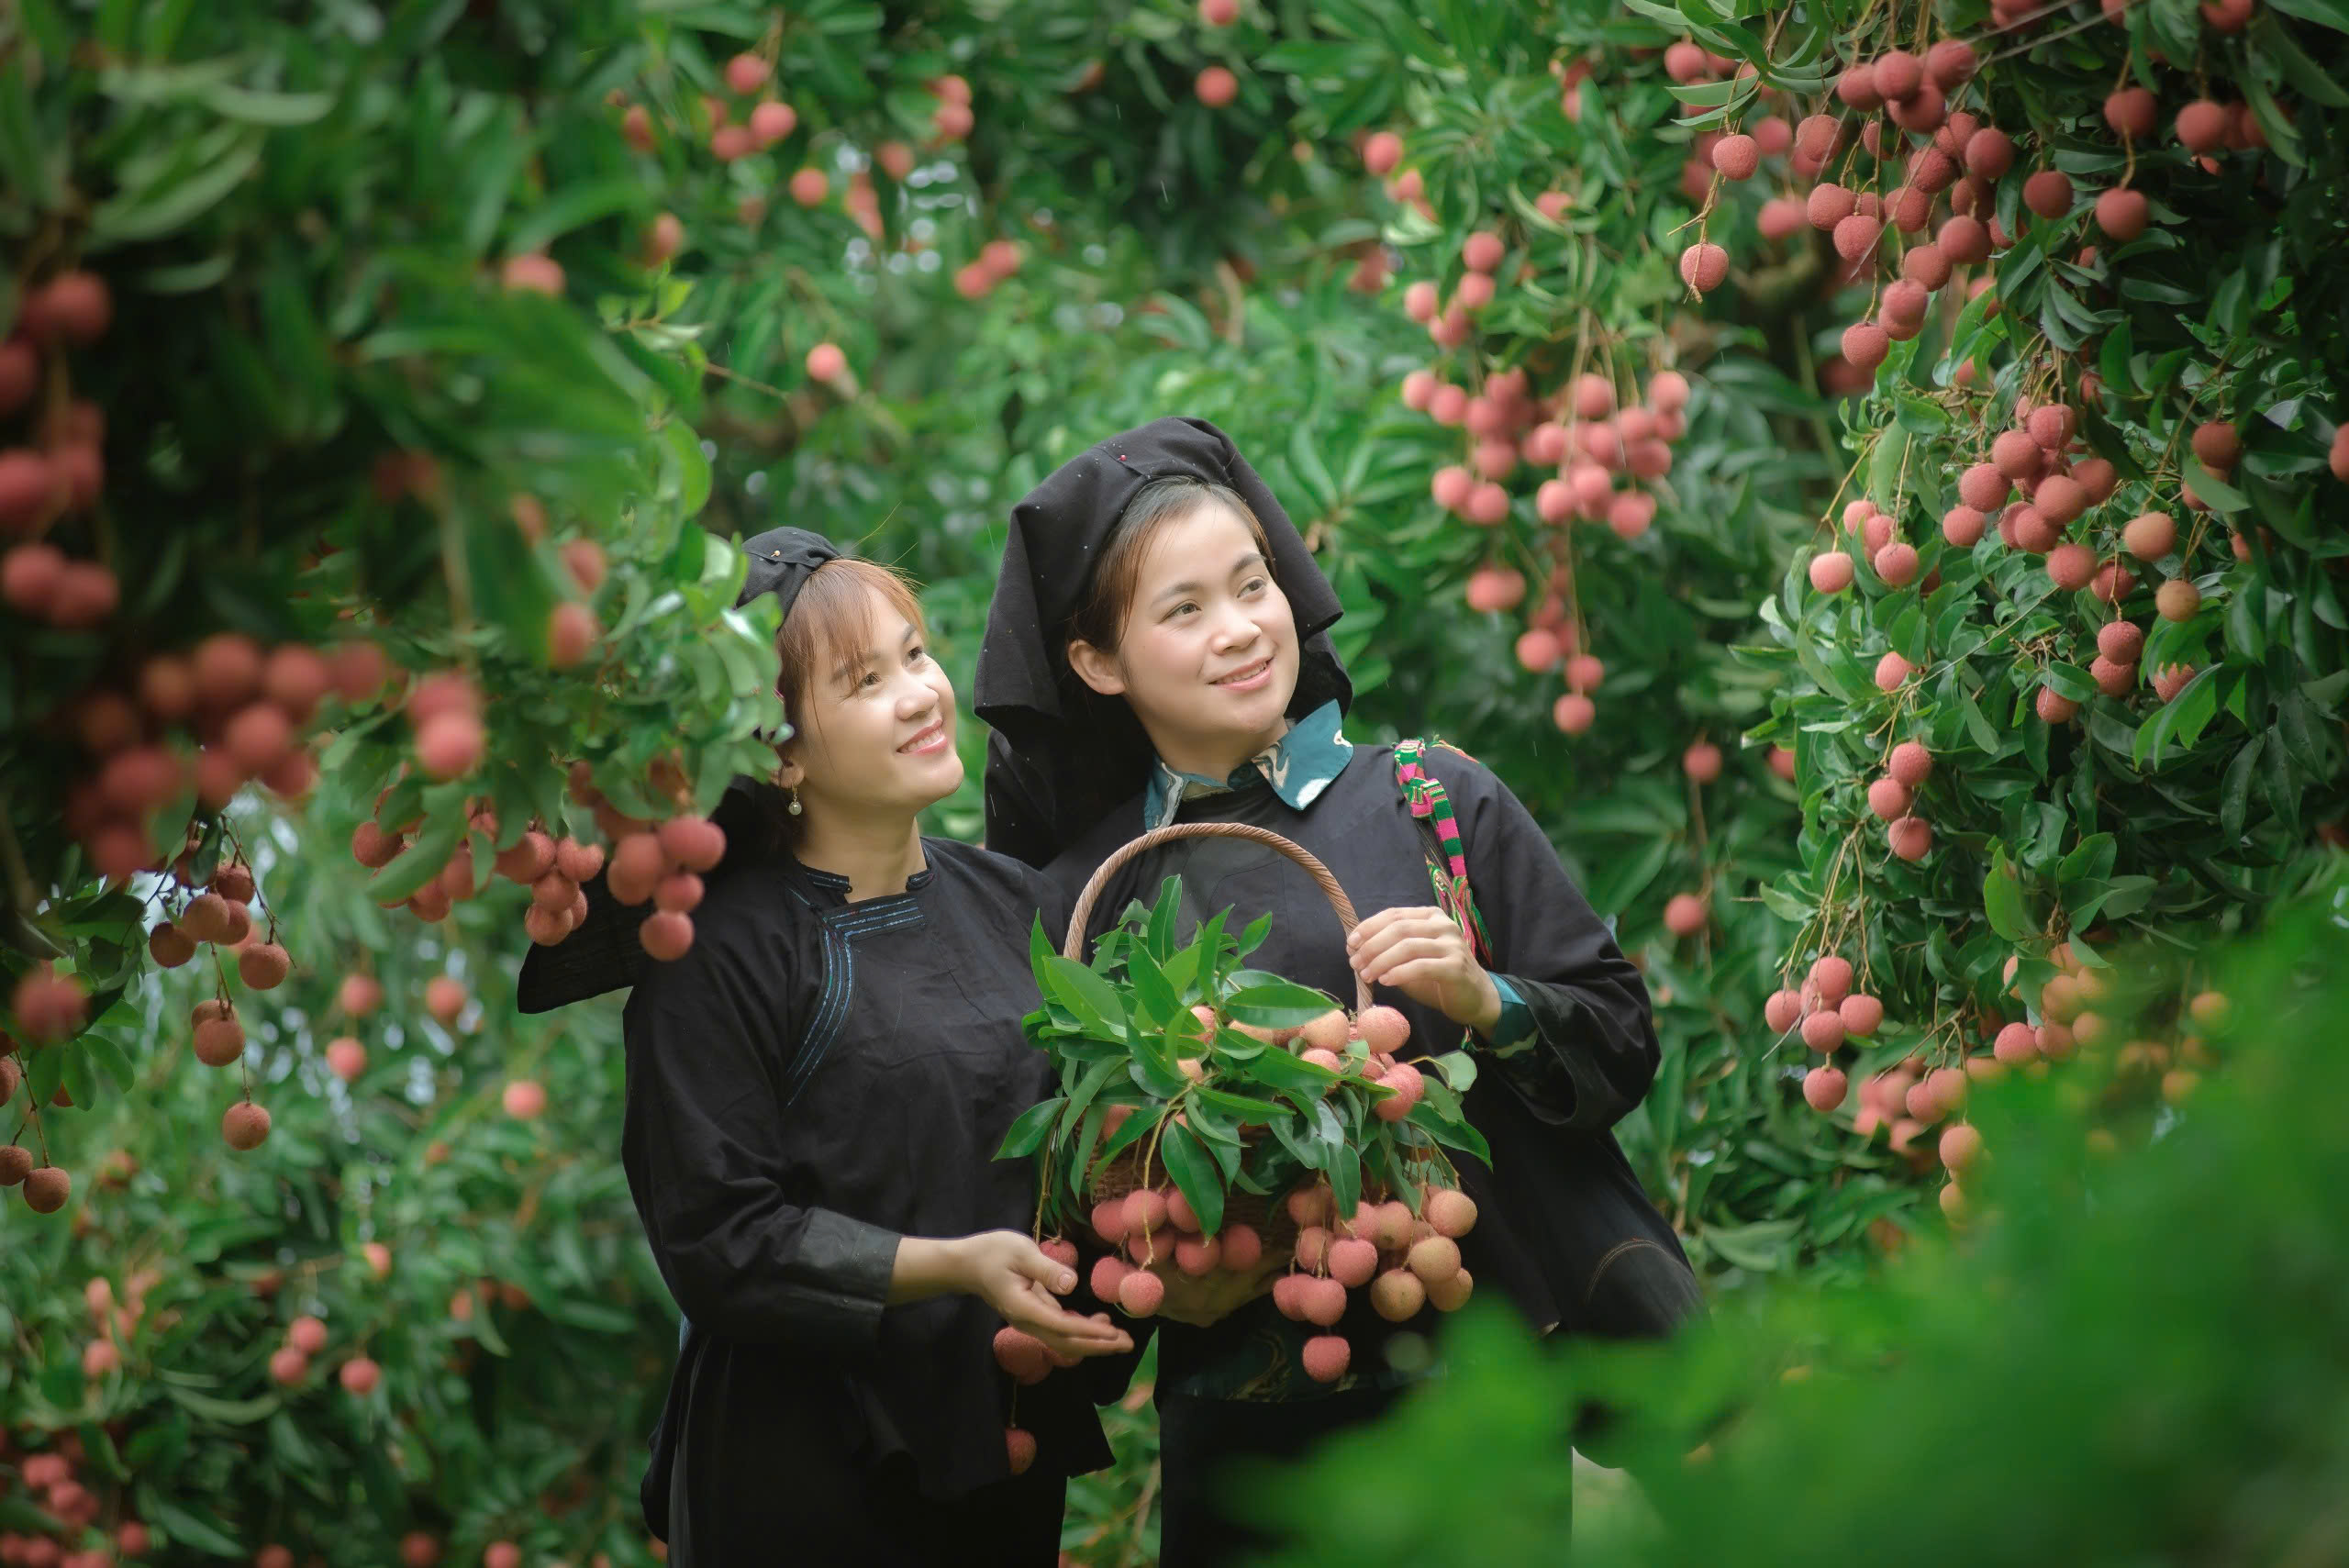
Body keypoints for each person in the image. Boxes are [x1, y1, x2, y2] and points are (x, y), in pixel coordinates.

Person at [974, 417, 1700, 1564]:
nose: (1239, 629)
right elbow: (1071, 1202)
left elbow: (1617, 1041)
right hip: (1250, 1438)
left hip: (1474, 1402)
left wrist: (1482, 996)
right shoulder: (1082, 901)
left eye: (1250, 583)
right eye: (1184, 609)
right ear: (1097, 663)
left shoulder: (1429, 798)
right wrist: (1168, 1270)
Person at [518, 527, 1130, 1566]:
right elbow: (720, 1239)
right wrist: (956, 1265)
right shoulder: (714, 952)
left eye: (916, 653)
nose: (921, 692)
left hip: (994, 1446)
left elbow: (1088, 1147)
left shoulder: (1020, 905)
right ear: (784, 750)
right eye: (865, 678)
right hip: (793, 1465)